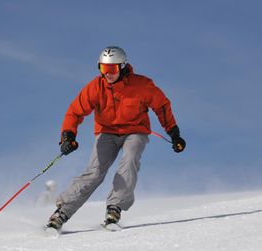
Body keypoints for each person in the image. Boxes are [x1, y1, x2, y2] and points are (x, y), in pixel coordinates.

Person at [45, 46, 186, 231]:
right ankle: (61, 213)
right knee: (94, 172)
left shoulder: (142, 85)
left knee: (129, 161)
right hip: (107, 133)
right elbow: (75, 112)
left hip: (135, 132)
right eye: (104, 69)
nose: (108, 74)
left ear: (123, 67)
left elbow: (162, 107)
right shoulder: (96, 87)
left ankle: (114, 208)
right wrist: (67, 136)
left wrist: (174, 134)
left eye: (112, 69)